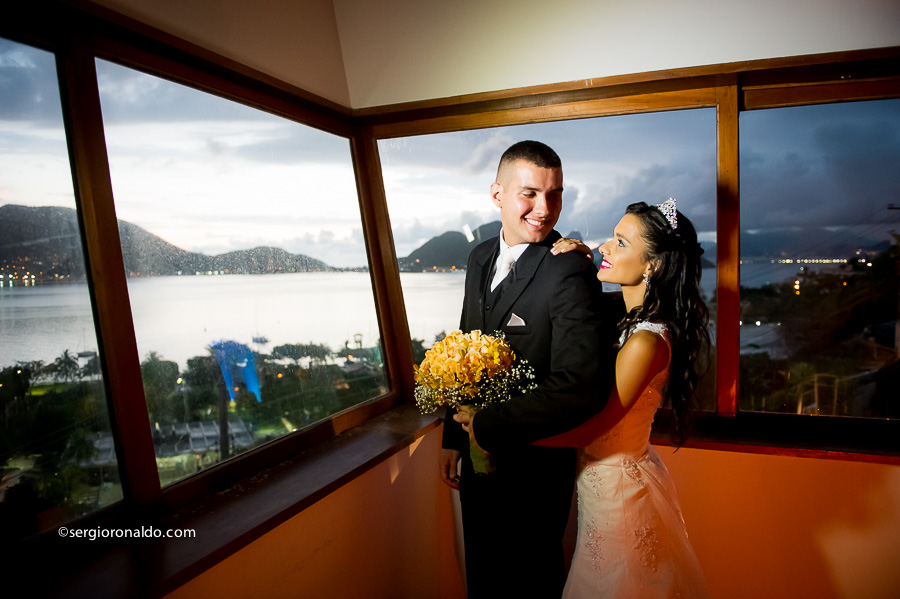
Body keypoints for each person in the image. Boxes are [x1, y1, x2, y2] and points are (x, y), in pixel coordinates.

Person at [440, 140, 620, 599]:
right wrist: (455, 438)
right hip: (477, 470)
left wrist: (486, 425)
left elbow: (580, 386)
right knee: (482, 576)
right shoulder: (478, 257)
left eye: (555, 193)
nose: (545, 208)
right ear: (497, 195)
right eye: (530, 193)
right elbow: (463, 350)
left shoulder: (569, 269)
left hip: (535, 473)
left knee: (530, 582)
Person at [536, 198, 712, 598]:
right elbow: (586, 314)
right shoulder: (629, 318)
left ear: (653, 265)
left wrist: (506, 435)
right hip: (604, 488)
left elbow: (596, 425)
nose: (604, 247)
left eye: (620, 242)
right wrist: (583, 259)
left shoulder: (646, 342)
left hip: (620, 497)